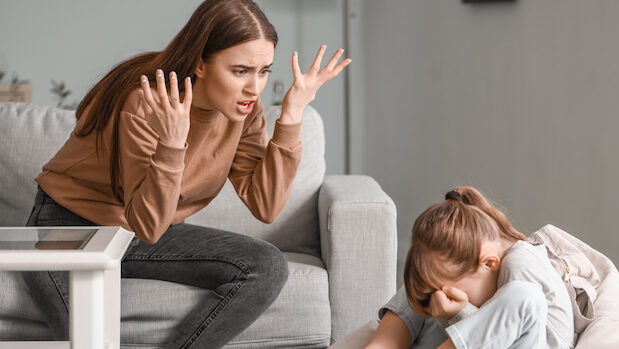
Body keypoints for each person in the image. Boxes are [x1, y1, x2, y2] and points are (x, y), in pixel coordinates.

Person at [23, 0, 351, 348]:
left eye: (264, 71)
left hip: (144, 228)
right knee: (89, 338)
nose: (254, 88)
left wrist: (292, 114)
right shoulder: (145, 102)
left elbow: (265, 205)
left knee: (267, 266)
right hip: (69, 226)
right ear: (201, 64)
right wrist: (173, 144)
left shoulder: (245, 113)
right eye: (240, 71)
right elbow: (146, 225)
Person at [365, 187, 575, 349]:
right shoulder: (483, 264)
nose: (442, 299)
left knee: (524, 296)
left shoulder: (519, 266)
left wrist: (460, 314)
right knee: (426, 277)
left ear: (489, 263)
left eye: (451, 294)